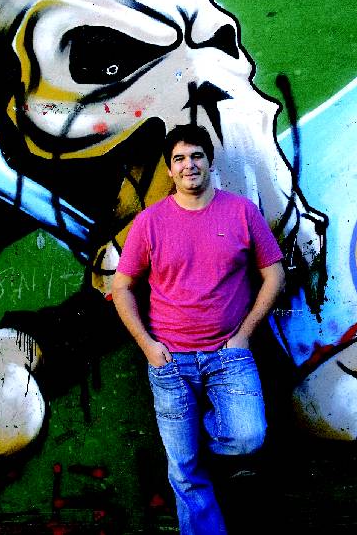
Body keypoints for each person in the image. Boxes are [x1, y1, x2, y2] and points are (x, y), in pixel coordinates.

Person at [111, 124, 285, 534]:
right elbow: (121, 287)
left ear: (210, 161)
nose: (188, 165)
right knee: (185, 470)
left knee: (248, 437)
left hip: (229, 357)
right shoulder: (150, 223)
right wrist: (147, 345)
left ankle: (198, 437)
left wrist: (244, 335)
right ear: (169, 169)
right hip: (170, 362)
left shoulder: (241, 211)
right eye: (179, 159)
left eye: (196, 156)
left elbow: (275, 274)